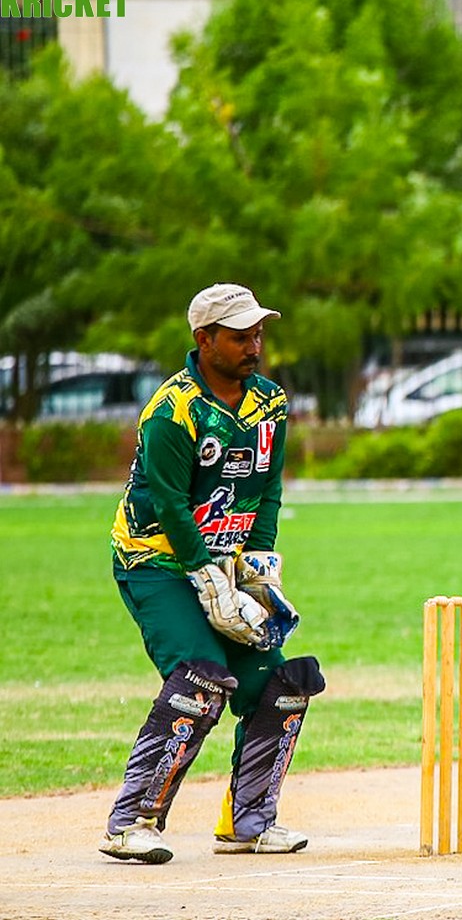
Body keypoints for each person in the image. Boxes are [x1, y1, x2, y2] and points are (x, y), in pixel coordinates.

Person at [99, 283, 324, 864]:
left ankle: (249, 822)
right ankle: (132, 823)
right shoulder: (172, 411)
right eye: (240, 336)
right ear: (204, 339)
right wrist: (204, 575)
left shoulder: (270, 402)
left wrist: (258, 571)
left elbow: (267, 489)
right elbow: (171, 505)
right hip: (156, 562)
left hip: (226, 561)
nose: (254, 346)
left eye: (258, 334)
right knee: (201, 679)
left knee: (283, 686)